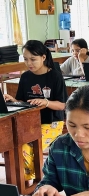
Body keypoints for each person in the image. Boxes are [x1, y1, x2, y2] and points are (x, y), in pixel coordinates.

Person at [3, 40, 67, 182]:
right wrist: (12, 101)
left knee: (26, 144)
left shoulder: (55, 76)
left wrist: (46, 102)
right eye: (25, 59)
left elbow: (62, 105)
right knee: (15, 144)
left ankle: (28, 179)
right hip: (29, 122)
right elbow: (23, 102)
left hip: (52, 123)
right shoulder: (26, 76)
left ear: (43, 57)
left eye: (33, 59)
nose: (29, 63)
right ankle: (26, 179)